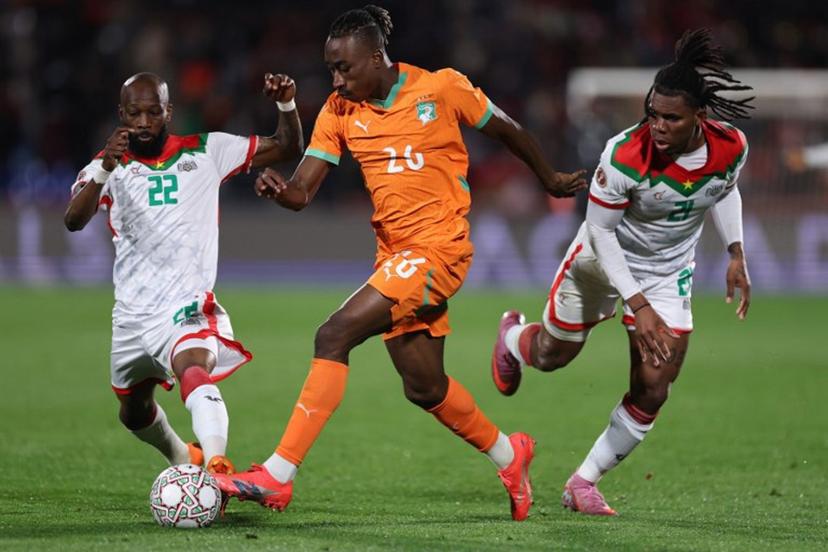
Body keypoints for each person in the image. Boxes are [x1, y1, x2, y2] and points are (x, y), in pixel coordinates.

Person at [214, 5, 586, 521]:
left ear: (376, 57)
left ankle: (278, 476)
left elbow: (506, 130)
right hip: (395, 255)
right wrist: (280, 192)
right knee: (424, 386)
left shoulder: (441, 89)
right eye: (331, 70)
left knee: (333, 334)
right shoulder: (338, 110)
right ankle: (510, 453)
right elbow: (302, 192)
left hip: (439, 249)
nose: (337, 80)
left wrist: (548, 177)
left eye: (345, 68)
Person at [491, 28, 754, 516]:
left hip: (668, 270)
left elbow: (725, 189)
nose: (657, 125)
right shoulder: (623, 156)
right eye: (652, 113)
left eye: (671, 118)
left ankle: (583, 481)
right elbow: (602, 233)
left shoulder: (730, 147)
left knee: (655, 385)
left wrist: (736, 251)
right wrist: (638, 305)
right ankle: (512, 339)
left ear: (700, 117)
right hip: (600, 262)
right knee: (552, 356)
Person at [64, 72, 302, 478]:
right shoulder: (108, 167)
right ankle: (182, 456)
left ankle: (215, 467)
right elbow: (73, 219)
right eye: (134, 113)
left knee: (193, 366)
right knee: (133, 412)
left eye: (153, 112)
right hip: (132, 316)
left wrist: (286, 104)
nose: (143, 122)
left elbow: (287, 147)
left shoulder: (207, 151)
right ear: (121, 114)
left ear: (168, 112)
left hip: (185, 307)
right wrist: (105, 167)